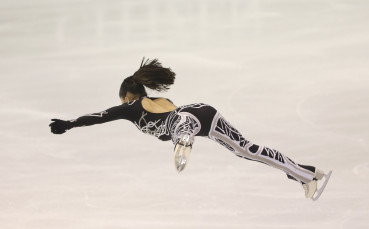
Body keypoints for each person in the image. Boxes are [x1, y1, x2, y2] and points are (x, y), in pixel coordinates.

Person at [49, 58, 331, 200]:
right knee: (248, 151)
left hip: (186, 121)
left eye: (121, 99)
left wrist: (70, 124)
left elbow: (99, 116)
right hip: (204, 115)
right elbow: (166, 109)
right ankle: (307, 173)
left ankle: (182, 140)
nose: (120, 104)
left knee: (180, 126)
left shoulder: (131, 107)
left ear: (126, 95)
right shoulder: (157, 99)